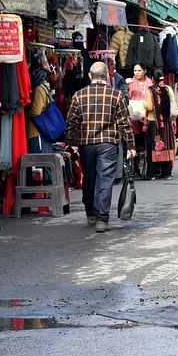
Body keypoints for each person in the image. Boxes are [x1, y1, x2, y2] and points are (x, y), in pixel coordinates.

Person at [64, 61, 135, 232]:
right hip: (108, 143)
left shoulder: (78, 95)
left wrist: (70, 144)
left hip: (85, 144)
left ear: (90, 76)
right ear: (107, 76)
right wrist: (131, 145)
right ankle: (102, 219)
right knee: (105, 180)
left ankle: (91, 213)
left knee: (88, 178)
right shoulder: (116, 95)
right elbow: (124, 123)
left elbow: (71, 122)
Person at [144, 69, 178, 180]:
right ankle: (166, 173)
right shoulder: (168, 89)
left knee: (153, 148)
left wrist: (143, 104)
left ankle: (152, 173)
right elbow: (173, 104)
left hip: (154, 123)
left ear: (153, 79)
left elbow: (149, 106)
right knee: (166, 146)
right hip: (167, 123)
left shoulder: (151, 90)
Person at [25, 59, 55, 154]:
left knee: (37, 160)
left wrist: (24, 114)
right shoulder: (44, 88)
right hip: (41, 131)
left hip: (36, 131)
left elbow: (36, 111)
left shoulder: (38, 90)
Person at [127, 63, 152, 177]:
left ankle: (146, 165)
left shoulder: (150, 83)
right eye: (135, 70)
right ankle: (136, 166)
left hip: (147, 115)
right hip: (134, 117)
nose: (136, 73)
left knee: (146, 141)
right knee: (136, 141)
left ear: (144, 71)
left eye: (139, 70)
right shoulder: (130, 83)